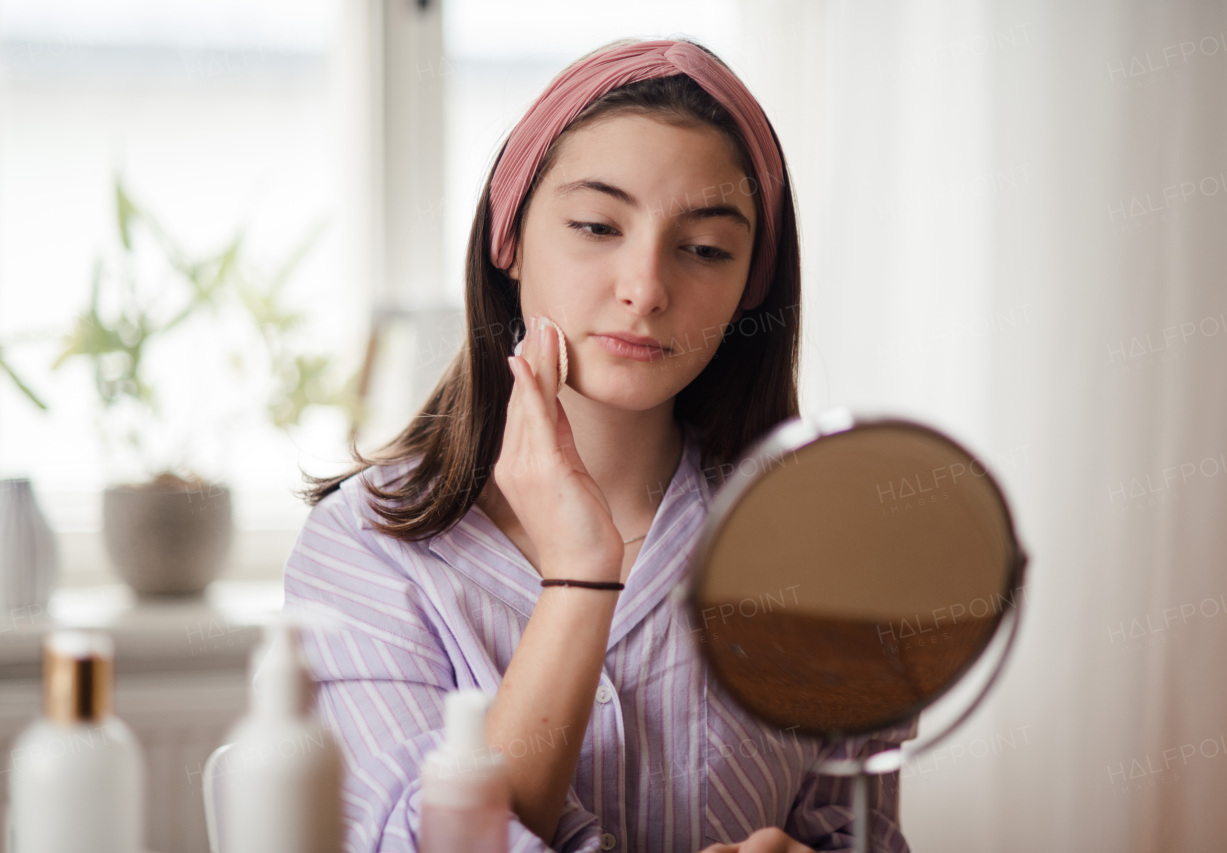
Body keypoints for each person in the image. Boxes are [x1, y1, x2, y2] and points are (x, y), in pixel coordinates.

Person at [283, 38, 911, 853]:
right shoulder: (361, 553)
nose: (645, 288)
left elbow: (858, 830)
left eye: (706, 249)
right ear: (508, 239)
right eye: (595, 225)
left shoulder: (827, 554)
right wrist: (579, 575)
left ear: (752, 282)